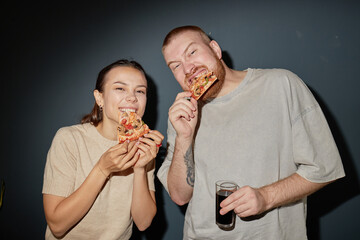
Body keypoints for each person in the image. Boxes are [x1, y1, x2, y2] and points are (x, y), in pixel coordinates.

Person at [157, 25, 345, 239]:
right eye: (175, 66)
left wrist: (266, 197)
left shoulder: (281, 85)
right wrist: (184, 137)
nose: (188, 68)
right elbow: (180, 196)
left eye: (192, 52)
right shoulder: (182, 114)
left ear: (215, 50)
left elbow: (326, 168)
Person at [42, 59, 164, 239]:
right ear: (100, 98)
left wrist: (139, 168)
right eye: (120, 88)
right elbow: (57, 226)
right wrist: (102, 169)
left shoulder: (144, 147)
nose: (132, 97)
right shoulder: (69, 139)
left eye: (140, 91)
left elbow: (143, 222)